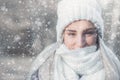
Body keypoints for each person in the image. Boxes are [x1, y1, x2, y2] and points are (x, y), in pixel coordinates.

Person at [26, 0, 120, 80]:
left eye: (88, 33)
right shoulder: (43, 70)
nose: (80, 43)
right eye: (71, 34)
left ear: (98, 35)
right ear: (62, 36)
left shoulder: (114, 71)